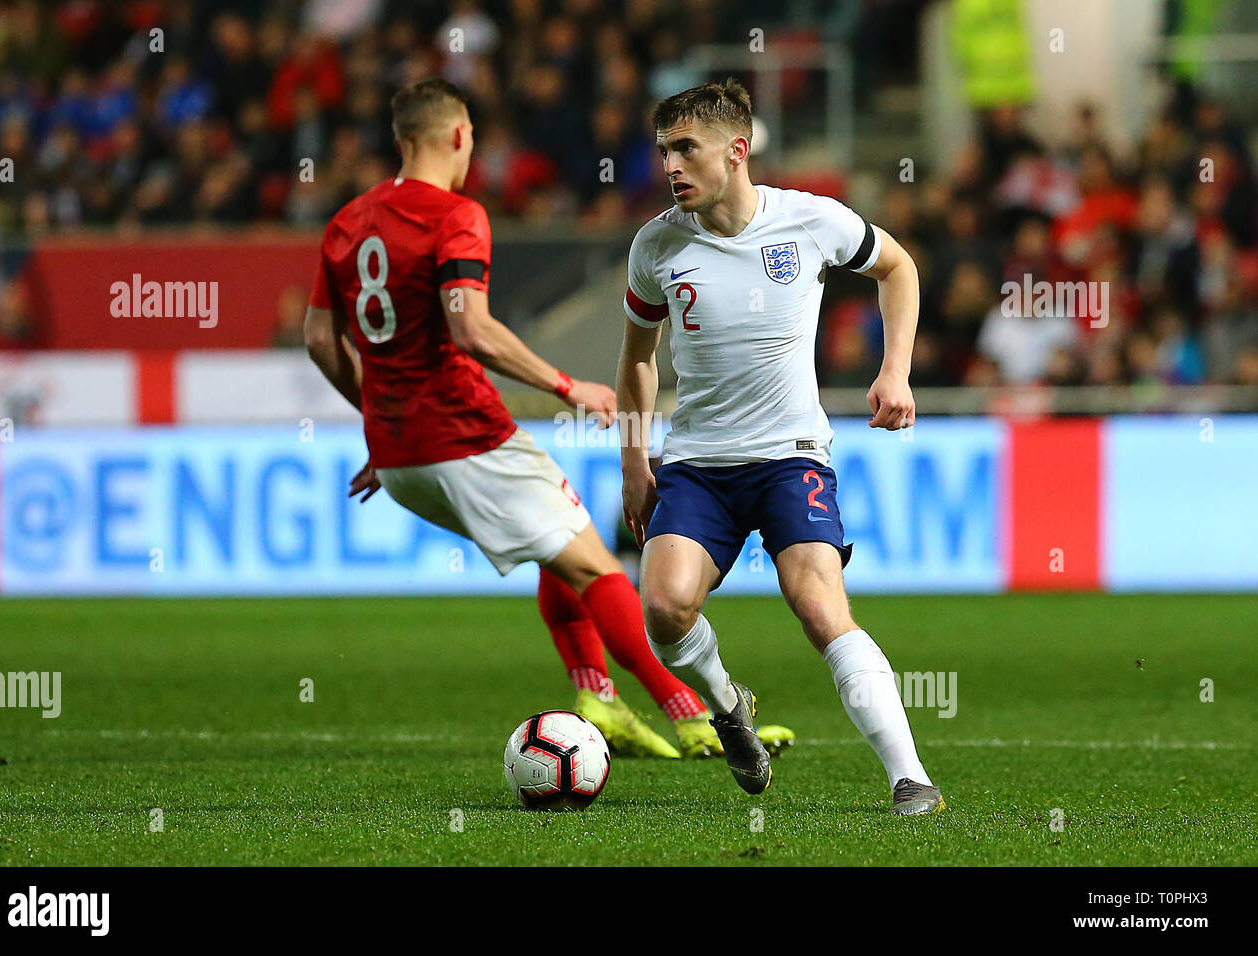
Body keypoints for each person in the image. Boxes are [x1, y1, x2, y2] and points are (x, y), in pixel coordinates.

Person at [303, 78, 794, 760]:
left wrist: (382, 423)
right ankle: (702, 713)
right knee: (601, 572)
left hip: (399, 457)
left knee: (559, 548)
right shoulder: (456, 216)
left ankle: (597, 692)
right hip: (467, 434)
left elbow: (321, 341)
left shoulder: (347, 222)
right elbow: (471, 329)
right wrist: (568, 386)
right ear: (456, 137)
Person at [618, 78, 944, 814]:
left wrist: (894, 371)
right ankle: (730, 703)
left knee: (818, 603)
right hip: (697, 466)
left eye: (685, 149)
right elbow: (638, 357)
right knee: (664, 608)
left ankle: (910, 776)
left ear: (736, 152)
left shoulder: (811, 221)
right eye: (664, 150)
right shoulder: (656, 246)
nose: (671, 166)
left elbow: (899, 267)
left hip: (791, 454)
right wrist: (636, 461)